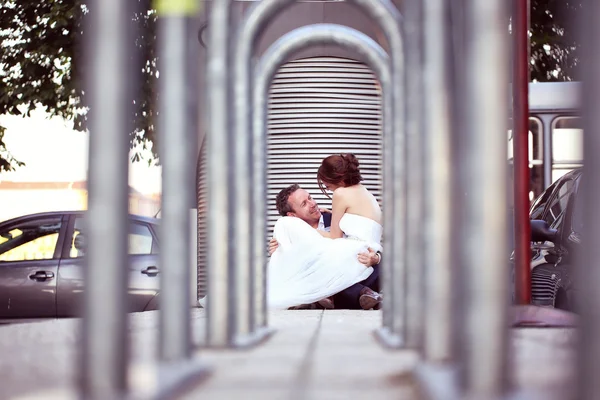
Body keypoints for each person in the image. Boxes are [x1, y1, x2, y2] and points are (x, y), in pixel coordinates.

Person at [268, 153, 383, 310]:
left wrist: (376, 258)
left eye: (310, 197)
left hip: (362, 266)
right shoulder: (361, 194)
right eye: (304, 203)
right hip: (345, 280)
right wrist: (281, 251)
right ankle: (359, 295)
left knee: (326, 265)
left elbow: (344, 238)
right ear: (292, 215)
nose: (313, 203)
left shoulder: (335, 208)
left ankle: (333, 296)